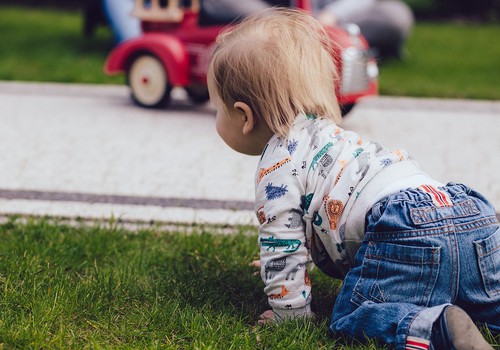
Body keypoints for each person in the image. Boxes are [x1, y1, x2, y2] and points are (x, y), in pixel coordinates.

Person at [207, 8, 499, 350]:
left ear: (244, 116)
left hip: (403, 227)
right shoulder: (332, 137)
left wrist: (288, 311)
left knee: (354, 315)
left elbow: (281, 245)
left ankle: (433, 328)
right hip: (468, 212)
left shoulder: (277, 164)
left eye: (217, 108)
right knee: (487, 303)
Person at [314, 0, 414, 59]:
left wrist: (333, 14)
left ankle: (361, 49)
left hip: (356, 16)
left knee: (395, 16)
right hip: (310, 19)